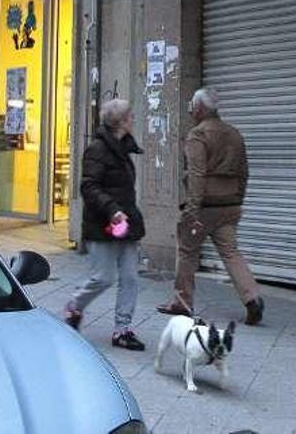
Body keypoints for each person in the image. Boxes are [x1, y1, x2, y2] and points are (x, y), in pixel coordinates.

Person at [156, 88, 264, 325]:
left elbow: (197, 174)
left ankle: (181, 303)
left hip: (204, 207)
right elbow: (245, 172)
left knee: (187, 251)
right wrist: (238, 199)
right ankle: (252, 298)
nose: (192, 110)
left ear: (201, 109)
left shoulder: (198, 135)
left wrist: (191, 210)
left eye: (193, 106)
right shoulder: (234, 134)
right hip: (230, 205)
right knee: (231, 253)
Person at [64, 99, 146, 351]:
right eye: (131, 116)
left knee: (130, 277)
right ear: (120, 121)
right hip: (102, 225)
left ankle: (122, 329)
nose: (134, 119)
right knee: (103, 278)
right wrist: (112, 210)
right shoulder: (97, 149)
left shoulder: (123, 148)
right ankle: (74, 307)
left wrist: (125, 214)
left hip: (126, 224)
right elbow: (88, 186)